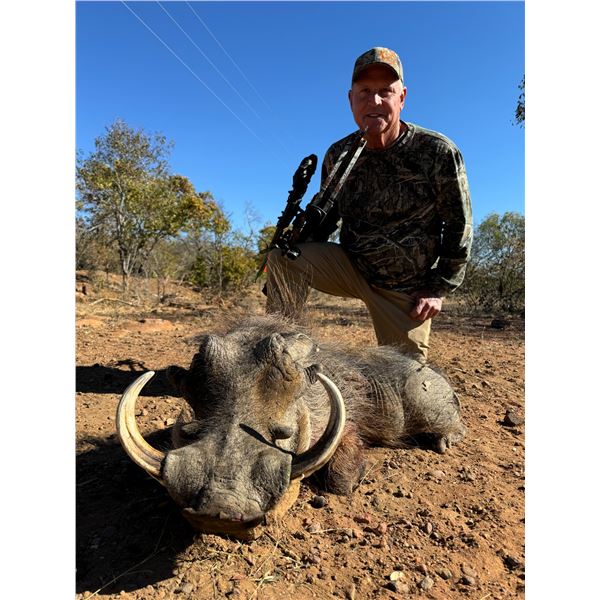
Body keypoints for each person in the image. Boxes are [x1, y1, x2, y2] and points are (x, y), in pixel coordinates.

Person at [266, 47, 472, 360]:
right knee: (283, 259)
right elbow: (328, 218)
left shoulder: (437, 151)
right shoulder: (338, 154)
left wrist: (438, 287)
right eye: (364, 92)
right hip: (352, 266)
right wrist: (297, 244)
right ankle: (283, 357)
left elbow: (459, 224)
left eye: (384, 91)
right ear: (351, 99)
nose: (374, 101)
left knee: (406, 380)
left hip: (403, 288)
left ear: (402, 98)